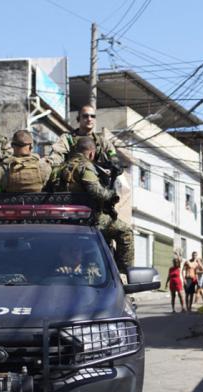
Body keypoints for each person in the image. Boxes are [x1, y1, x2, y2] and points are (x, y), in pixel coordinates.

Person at [47, 136, 133, 272]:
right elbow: (96, 192)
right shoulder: (85, 167)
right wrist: (111, 194)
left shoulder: (59, 168)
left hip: (62, 218)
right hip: (88, 219)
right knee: (125, 231)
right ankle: (124, 272)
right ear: (92, 153)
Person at [47, 104, 127, 187]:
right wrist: (50, 163)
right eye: (85, 116)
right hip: (72, 182)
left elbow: (112, 154)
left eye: (92, 116)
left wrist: (115, 163)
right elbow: (56, 154)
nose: (89, 119)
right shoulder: (67, 139)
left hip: (96, 184)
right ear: (79, 119)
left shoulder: (102, 142)